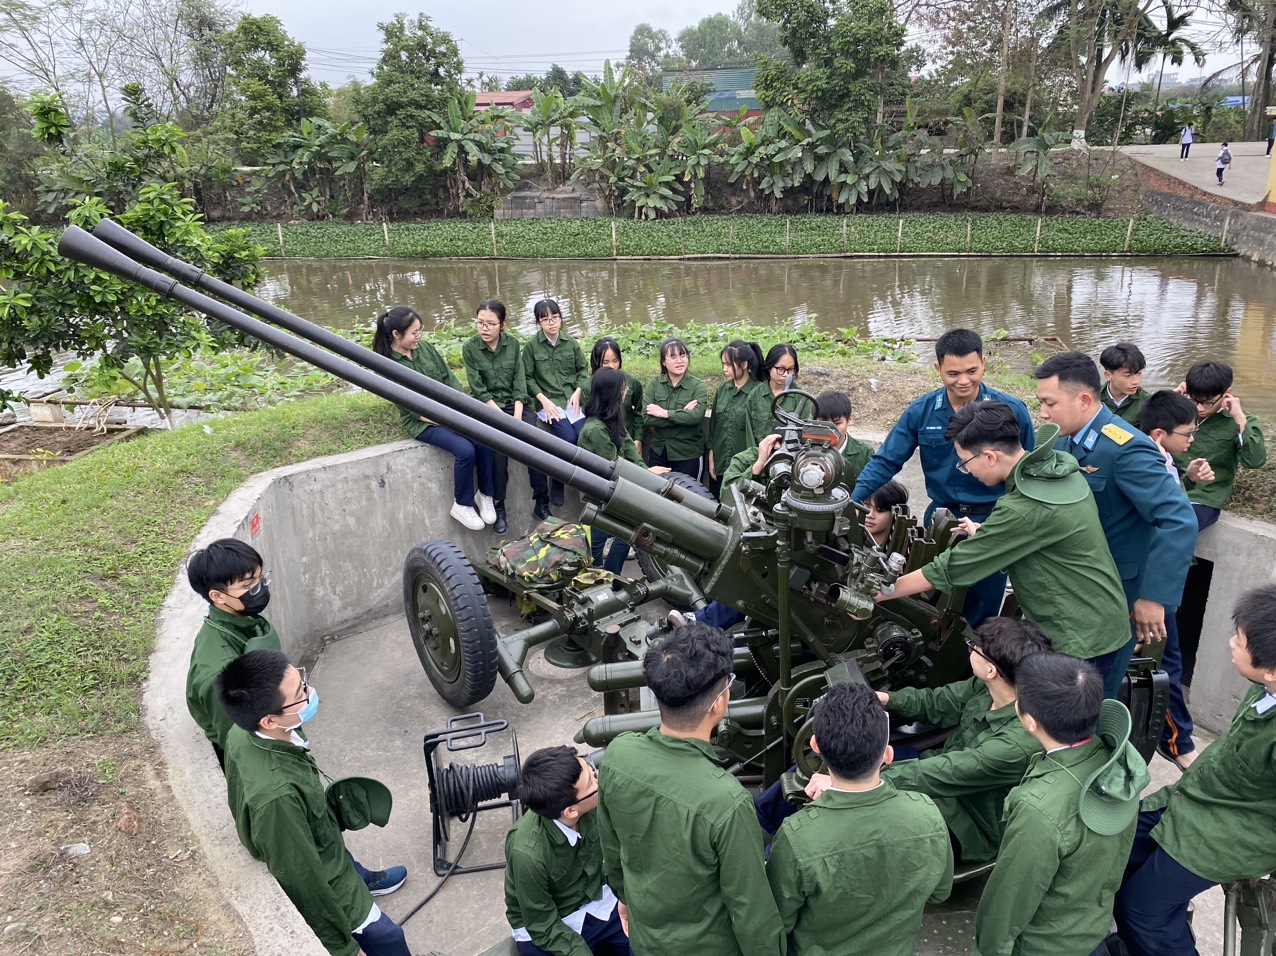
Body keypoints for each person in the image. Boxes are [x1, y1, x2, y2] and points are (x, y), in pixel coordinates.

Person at [878, 401, 1131, 683]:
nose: (967, 471)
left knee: (1059, 711)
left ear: (989, 456)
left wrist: (883, 592)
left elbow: (951, 568)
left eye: (965, 463)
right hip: (1104, 617)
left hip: (1077, 637)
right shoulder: (1058, 471)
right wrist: (990, 534)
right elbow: (1042, 531)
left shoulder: (1022, 508)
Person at [595, 622, 784, 956]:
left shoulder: (618, 755)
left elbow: (612, 849)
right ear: (719, 703)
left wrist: (624, 897)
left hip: (646, 940)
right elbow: (752, 914)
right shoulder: (727, 802)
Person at [215, 650, 413, 956]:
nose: (310, 693)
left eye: (302, 681)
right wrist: (345, 949)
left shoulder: (247, 732)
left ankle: (361, 878)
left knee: (342, 858)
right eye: (300, 694)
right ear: (269, 719)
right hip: (324, 875)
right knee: (388, 938)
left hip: (321, 841)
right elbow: (303, 881)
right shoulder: (277, 798)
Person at [1114, 584, 1276, 956]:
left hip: (1228, 834)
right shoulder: (1263, 688)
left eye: (1240, 640)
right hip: (1195, 799)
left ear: (1271, 670)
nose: (1231, 643)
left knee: (1143, 913)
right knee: (1109, 854)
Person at [1034, 351, 1197, 700]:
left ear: (1083, 400)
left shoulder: (1125, 449)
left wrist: (1154, 597)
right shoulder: (1062, 440)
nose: (1043, 413)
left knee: (1091, 697)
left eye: (1050, 403)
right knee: (1059, 695)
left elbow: (1178, 518)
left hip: (1113, 598)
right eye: (1041, 403)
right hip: (1070, 589)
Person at [853, 328, 1035, 627]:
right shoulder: (922, 412)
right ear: (938, 368)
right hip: (941, 518)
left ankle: (979, 651)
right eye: (953, 373)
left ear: (983, 363)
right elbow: (886, 460)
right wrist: (854, 499)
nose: (963, 381)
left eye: (971, 371)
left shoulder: (1010, 411)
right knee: (934, 600)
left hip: (992, 518)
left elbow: (1027, 470)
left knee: (985, 604)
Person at [973, 652, 1149, 956]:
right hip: (1089, 928)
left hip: (1041, 946)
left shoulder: (1038, 810)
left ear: (1029, 721)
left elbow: (1008, 902)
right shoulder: (1117, 764)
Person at [765, 683, 953, 956]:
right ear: (888, 755)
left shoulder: (797, 837)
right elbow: (939, 892)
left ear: (815, 745)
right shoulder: (927, 815)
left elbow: (777, 920)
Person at [877, 618, 1053, 863]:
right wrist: (885, 698)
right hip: (938, 772)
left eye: (974, 648)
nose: (970, 650)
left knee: (869, 824)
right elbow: (938, 702)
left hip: (967, 824)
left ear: (991, 670)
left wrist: (864, 781)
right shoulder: (989, 687)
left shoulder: (1016, 743)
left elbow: (949, 772)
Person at [1139, 391, 1215, 770]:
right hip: (1149, 589)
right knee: (1164, 663)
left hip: (1153, 585)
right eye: (1187, 433)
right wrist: (1153, 596)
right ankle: (1178, 742)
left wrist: (1187, 475)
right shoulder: (1148, 469)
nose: (1192, 440)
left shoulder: (1161, 462)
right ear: (1159, 434)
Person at [373, 306, 496, 532]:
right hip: (423, 422)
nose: (419, 336)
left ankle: (485, 494)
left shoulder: (426, 348)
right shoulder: (386, 365)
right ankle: (462, 504)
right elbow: (410, 409)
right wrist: (449, 420)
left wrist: (462, 407)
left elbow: (448, 379)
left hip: (451, 412)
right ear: (396, 335)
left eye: (420, 330)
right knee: (465, 450)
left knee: (484, 439)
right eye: (414, 333)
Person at [504, 746, 630, 956]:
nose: (598, 779)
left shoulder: (593, 806)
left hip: (601, 899)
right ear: (571, 811)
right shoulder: (527, 854)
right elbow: (541, 923)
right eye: (591, 782)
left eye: (591, 769)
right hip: (551, 926)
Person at [185, 538, 280, 770]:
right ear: (218, 596)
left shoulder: (244, 617)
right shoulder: (220, 673)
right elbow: (239, 741)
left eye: (261, 579)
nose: (260, 589)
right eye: (248, 585)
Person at [462, 298, 544, 535]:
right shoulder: (470, 348)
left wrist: (517, 414)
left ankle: (542, 501)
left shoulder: (513, 344)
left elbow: (519, 381)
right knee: (498, 450)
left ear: (502, 325)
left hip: (515, 405)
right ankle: (499, 506)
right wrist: (502, 418)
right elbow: (478, 389)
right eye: (480, 323)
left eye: (490, 324)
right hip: (489, 408)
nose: (484, 328)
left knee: (535, 442)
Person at [578, 368, 668, 574]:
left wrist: (646, 473)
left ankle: (612, 578)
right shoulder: (596, 429)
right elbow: (613, 465)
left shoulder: (613, 419)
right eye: (622, 389)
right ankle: (599, 579)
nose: (626, 392)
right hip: (598, 495)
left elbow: (629, 450)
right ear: (612, 393)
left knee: (626, 535)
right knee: (598, 543)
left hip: (614, 490)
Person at [720, 389, 874, 498]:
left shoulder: (864, 454)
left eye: (836, 423)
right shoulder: (799, 452)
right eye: (822, 423)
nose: (829, 430)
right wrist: (760, 464)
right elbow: (729, 492)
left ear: (850, 420)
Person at [1176, 360, 1266, 533]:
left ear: (1227, 394)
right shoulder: (1179, 409)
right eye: (1193, 400)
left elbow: (1254, 461)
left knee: (1178, 528)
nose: (1199, 408)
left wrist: (1240, 419)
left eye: (1207, 403)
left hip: (1202, 496)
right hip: (1168, 485)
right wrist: (1170, 400)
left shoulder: (1239, 421)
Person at [523, 298, 588, 517]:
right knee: (568, 439)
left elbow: (582, 370)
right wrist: (543, 399)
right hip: (550, 404)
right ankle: (558, 480)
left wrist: (578, 391)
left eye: (555, 317)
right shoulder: (532, 347)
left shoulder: (570, 343)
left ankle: (584, 484)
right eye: (545, 319)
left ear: (560, 318)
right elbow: (527, 378)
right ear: (538, 322)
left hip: (571, 400)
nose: (551, 323)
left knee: (583, 436)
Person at [642, 337, 708, 480]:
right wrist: (682, 415)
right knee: (657, 492)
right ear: (663, 362)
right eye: (673, 357)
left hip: (688, 454)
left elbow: (696, 417)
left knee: (688, 493)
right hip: (659, 452)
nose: (679, 360)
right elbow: (646, 418)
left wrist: (663, 413)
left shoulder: (698, 386)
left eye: (683, 355)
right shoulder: (655, 384)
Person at [708, 340, 765, 491]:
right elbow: (714, 427)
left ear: (744, 364)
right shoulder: (723, 389)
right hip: (720, 465)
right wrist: (711, 457)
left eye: (728, 364)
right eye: (723, 364)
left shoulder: (759, 393)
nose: (724, 369)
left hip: (744, 469)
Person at [581, 338, 644, 453]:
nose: (612, 366)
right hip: (605, 443)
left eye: (615, 361)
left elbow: (640, 412)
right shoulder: (588, 387)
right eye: (605, 362)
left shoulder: (631, 382)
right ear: (596, 361)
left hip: (629, 441)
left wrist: (638, 439)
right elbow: (590, 418)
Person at [1099, 342, 1150, 428]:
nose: (1136, 381)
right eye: (1128, 375)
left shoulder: (1148, 403)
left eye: (1139, 373)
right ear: (1108, 375)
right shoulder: (1093, 399)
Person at [750, 343, 802, 429]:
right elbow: (749, 431)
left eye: (790, 369)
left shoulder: (800, 396)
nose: (786, 374)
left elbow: (805, 429)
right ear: (769, 367)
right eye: (781, 369)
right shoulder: (755, 394)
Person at [863, 479, 910, 549]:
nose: (870, 515)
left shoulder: (903, 548)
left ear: (894, 514)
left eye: (880, 510)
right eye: (866, 507)